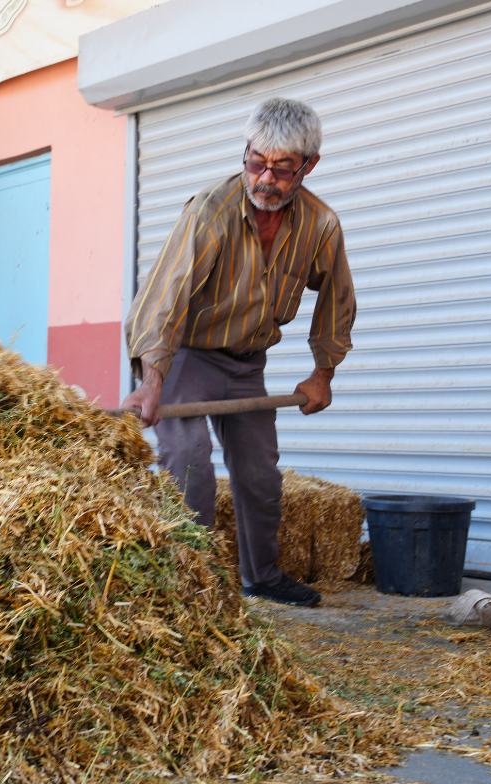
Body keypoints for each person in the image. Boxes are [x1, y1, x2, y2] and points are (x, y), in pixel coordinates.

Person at [123, 98, 357, 607]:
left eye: (282, 168)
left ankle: (262, 578)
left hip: (249, 363)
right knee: (189, 463)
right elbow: (166, 296)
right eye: (256, 163)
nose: (265, 179)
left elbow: (337, 300)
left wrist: (323, 374)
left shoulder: (320, 225)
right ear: (245, 154)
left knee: (259, 475)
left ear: (308, 166)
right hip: (187, 357)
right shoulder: (211, 211)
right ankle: (192, 589)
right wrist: (152, 382)